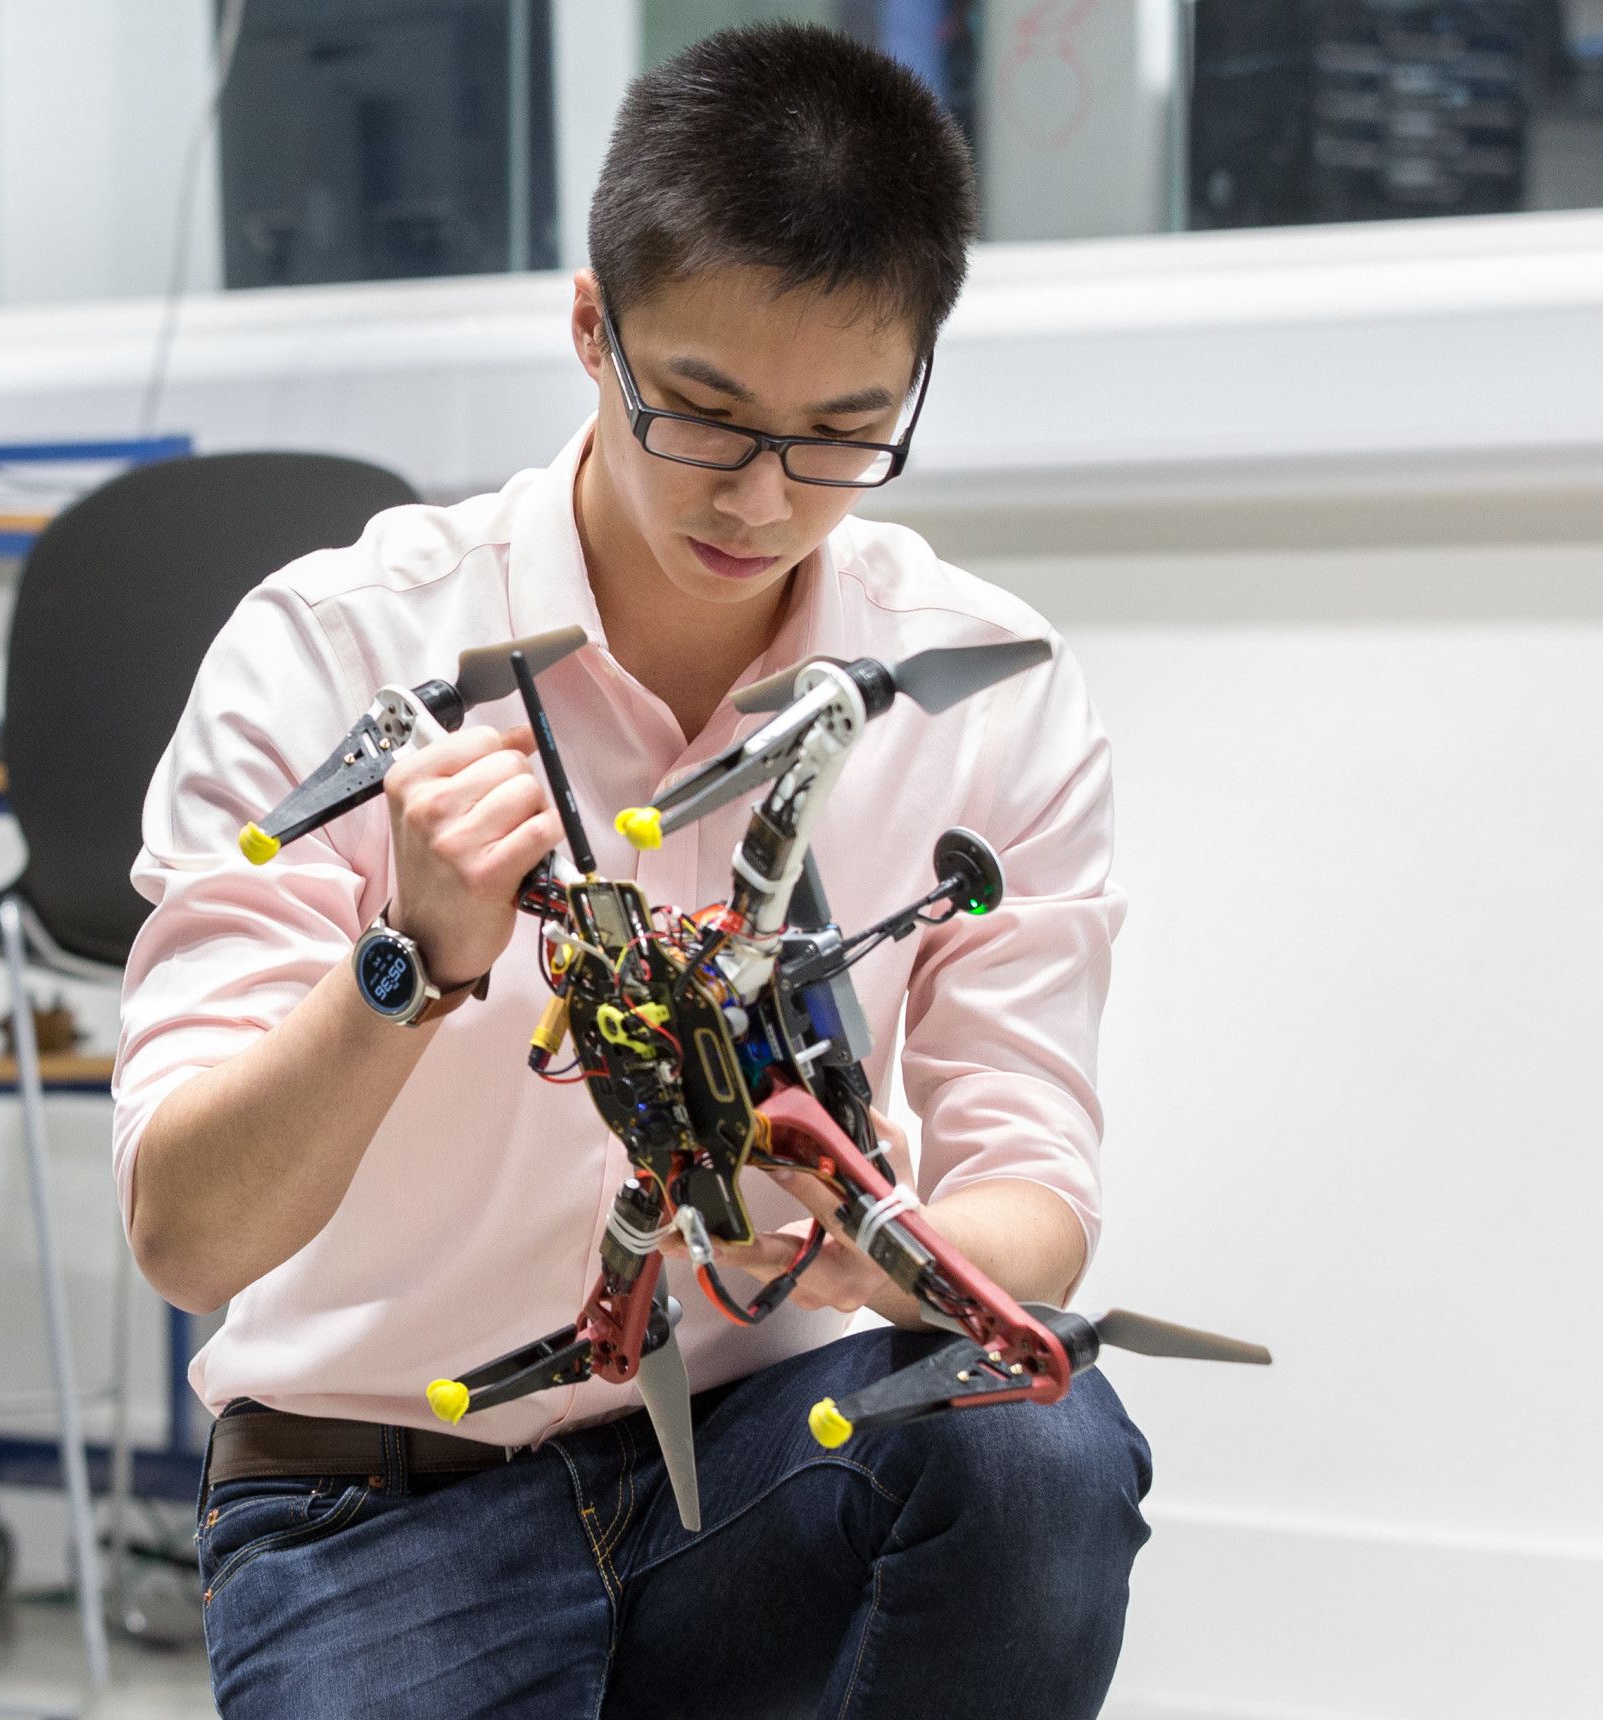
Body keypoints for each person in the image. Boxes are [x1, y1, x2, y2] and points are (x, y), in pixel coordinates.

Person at [111, 22, 1149, 1719]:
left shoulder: (984, 687)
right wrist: (410, 963)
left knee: (1034, 1449)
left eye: (842, 431)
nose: (762, 496)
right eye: (706, 415)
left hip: (764, 1471)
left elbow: (1035, 1189)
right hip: (372, 1504)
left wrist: (878, 1255)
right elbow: (188, 1232)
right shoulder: (337, 650)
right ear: (592, 330)